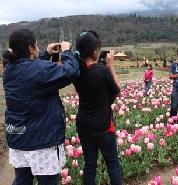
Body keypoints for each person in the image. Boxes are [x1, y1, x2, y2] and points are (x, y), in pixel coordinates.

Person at [3, 28, 80, 185]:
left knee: (22, 181)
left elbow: (32, 69)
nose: (38, 49)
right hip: (41, 141)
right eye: (36, 46)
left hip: (18, 138)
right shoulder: (39, 71)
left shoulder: (9, 69)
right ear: (31, 48)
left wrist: (45, 53)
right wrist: (66, 51)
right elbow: (71, 71)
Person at [73, 30, 122, 185]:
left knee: (90, 166)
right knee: (113, 165)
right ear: (95, 51)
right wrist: (111, 65)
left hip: (83, 125)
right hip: (103, 127)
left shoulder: (76, 71)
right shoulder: (102, 71)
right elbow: (117, 91)